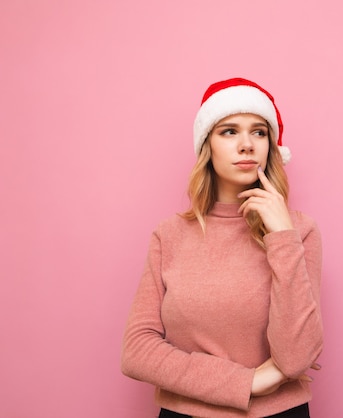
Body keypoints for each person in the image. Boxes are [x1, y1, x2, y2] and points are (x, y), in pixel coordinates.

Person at [121, 78, 323, 418]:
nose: (247, 144)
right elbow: (137, 352)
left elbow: (296, 356)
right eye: (229, 131)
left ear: (271, 146)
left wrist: (282, 237)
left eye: (259, 132)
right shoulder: (168, 235)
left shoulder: (299, 231)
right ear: (207, 145)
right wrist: (249, 382)